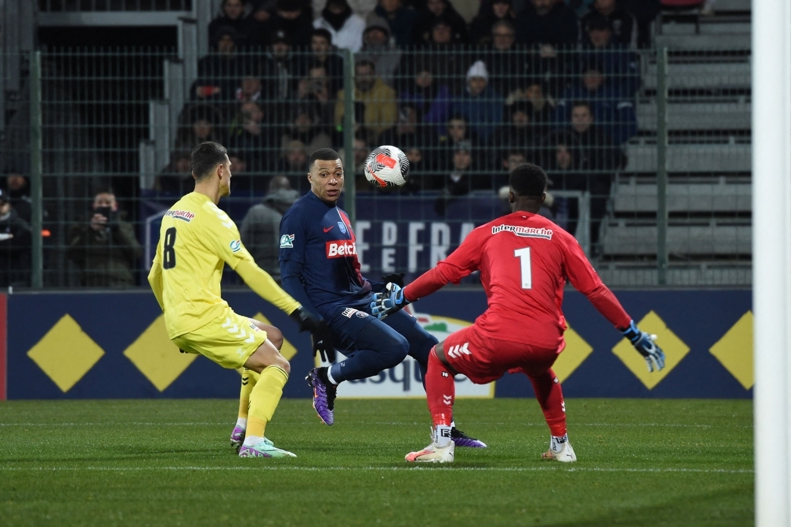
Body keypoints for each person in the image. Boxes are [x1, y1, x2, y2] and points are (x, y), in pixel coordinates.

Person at [371, 163, 666, 463]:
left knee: (437, 356)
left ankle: (442, 445)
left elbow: (443, 274)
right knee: (541, 372)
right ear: (542, 198)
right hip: (546, 342)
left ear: (510, 196)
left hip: (498, 336)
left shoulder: (486, 233)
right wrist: (632, 332)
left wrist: (401, 297)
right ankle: (562, 447)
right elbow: (596, 291)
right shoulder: (562, 238)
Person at [276, 147, 485, 449]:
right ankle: (326, 377)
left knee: (430, 349)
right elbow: (290, 277)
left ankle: (445, 429)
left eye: (338, 174)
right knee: (395, 347)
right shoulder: (297, 216)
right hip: (333, 309)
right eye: (324, 175)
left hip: (360, 299)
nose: (332, 181)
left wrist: (380, 285)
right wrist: (313, 318)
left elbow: (349, 275)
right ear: (310, 177)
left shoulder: (341, 215)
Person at [148, 141, 326, 459]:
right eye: (229, 168)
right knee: (279, 365)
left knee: (272, 337)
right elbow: (251, 272)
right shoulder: (214, 218)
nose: (231, 174)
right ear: (220, 171)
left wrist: (171, 316)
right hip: (204, 315)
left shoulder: (172, 214)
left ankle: (242, 424)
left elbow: (154, 276)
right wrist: (295, 309)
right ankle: (255, 442)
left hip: (182, 317)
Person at [67, 189, 142, 288]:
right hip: (92, 281)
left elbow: (136, 253)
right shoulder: (81, 226)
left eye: (108, 203)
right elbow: (73, 254)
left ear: (115, 206)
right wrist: (91, 231)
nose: (103, 206)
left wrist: (117, 230)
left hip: (121, 282)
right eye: (100, 202)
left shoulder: (126, 227)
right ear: (94, 205)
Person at [240, 176, 299, 281]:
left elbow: (243, 245)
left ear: (269, 190)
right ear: (290, 189)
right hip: (293, 279)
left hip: (261, 278)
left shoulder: (256, 213)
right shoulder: (302, 212)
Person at [0, 189, 32, 289]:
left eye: (2, 203)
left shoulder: (19, 225)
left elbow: (18, 245)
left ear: (9, 205)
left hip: (15, 278)